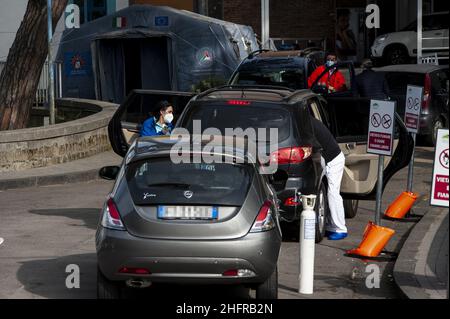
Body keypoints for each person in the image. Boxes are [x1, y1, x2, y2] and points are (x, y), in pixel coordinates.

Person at [311, 117, 348, 240]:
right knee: (329, 192)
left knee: (333, 193)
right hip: (330, 158)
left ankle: (340, 228)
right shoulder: (310, 120)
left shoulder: (308, 124)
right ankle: (332, 226)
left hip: (334, 160)